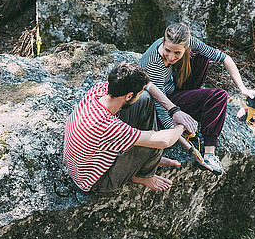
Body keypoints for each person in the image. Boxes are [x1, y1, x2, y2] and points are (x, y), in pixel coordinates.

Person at [140, 23, 255, 175]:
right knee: (219, 96)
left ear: (186, 46)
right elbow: (161, 107)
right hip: (164, 103)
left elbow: (224, 58)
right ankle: (209, 154)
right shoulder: (153, 63)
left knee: (202, 56)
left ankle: (209, 151)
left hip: (176, 89)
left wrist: (243, 88)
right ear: (163, 42)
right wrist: (186, 143)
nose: (171, 57)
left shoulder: (190, 43)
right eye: (167, 50)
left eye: (177, 53)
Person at [63, 62, 187, 193]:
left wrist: (174, 110)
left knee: (144, 98)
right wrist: (181, 126)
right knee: (153, 144)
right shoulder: (109, 127)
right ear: (129, 95)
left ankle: (144, 162)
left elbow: (148, 87)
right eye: (136, 93)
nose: (139, 94)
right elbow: (164, 141)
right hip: (97, 181)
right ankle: (141, 175)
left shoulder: (98, 90)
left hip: (81, 163)